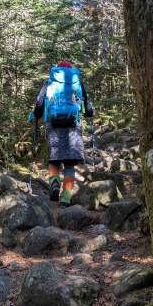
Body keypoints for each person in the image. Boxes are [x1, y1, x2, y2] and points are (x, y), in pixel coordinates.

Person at [32, 61, 95, 208]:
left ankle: (54, 183)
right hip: (73, 125)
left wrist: (36, 114)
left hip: (53, 125)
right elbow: (85, 104)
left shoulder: (50, 82)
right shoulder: (76, 82)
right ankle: (65, 200)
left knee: (54, 159)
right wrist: (89, 113)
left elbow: (40, 102)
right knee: (69, 164)